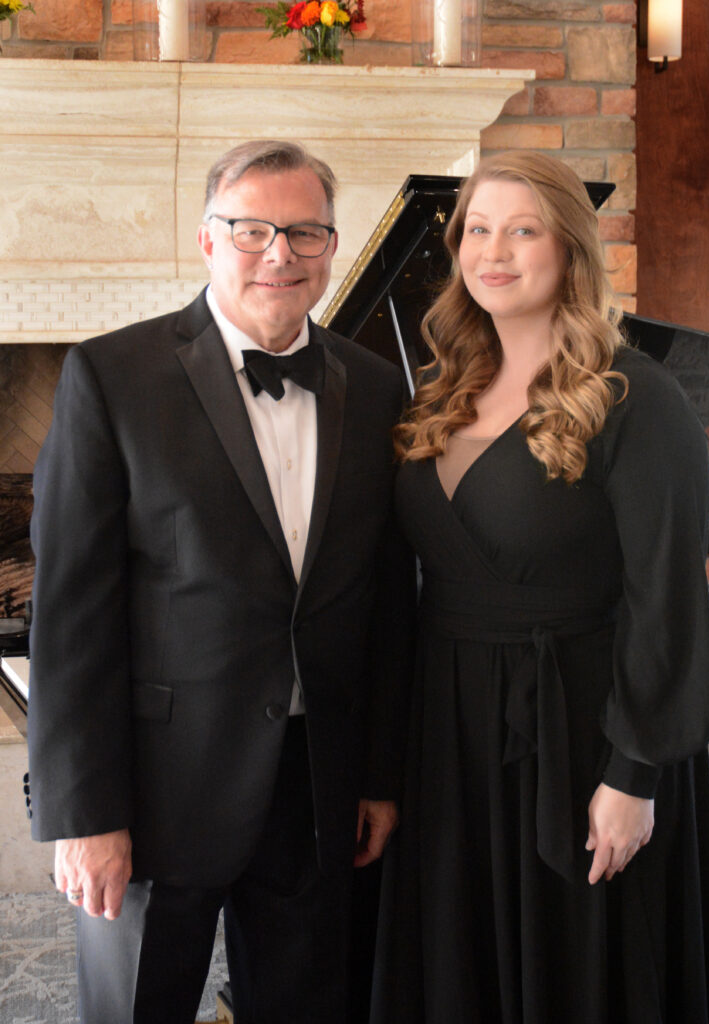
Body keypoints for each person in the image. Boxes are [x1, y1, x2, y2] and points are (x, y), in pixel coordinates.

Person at [26, 139, 414, 1024]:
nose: (279, 253)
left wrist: (378, 776)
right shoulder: (110, 378)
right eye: (251, 230)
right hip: (155, 792)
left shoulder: (376, 387)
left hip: (315, 792)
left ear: (331, 246)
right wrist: (83, 813)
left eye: (305, 232)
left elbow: (388, 601)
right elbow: (71, 618)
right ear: (206, 241)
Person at [371, 151, 709, 1023]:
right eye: (478, 231)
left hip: (585, 733)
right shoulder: (437, 394)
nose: (494, 252)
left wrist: (633, 776)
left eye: (522, 230)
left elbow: (668, 599)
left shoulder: (635, 400)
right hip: (448, 732)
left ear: (569, 249)